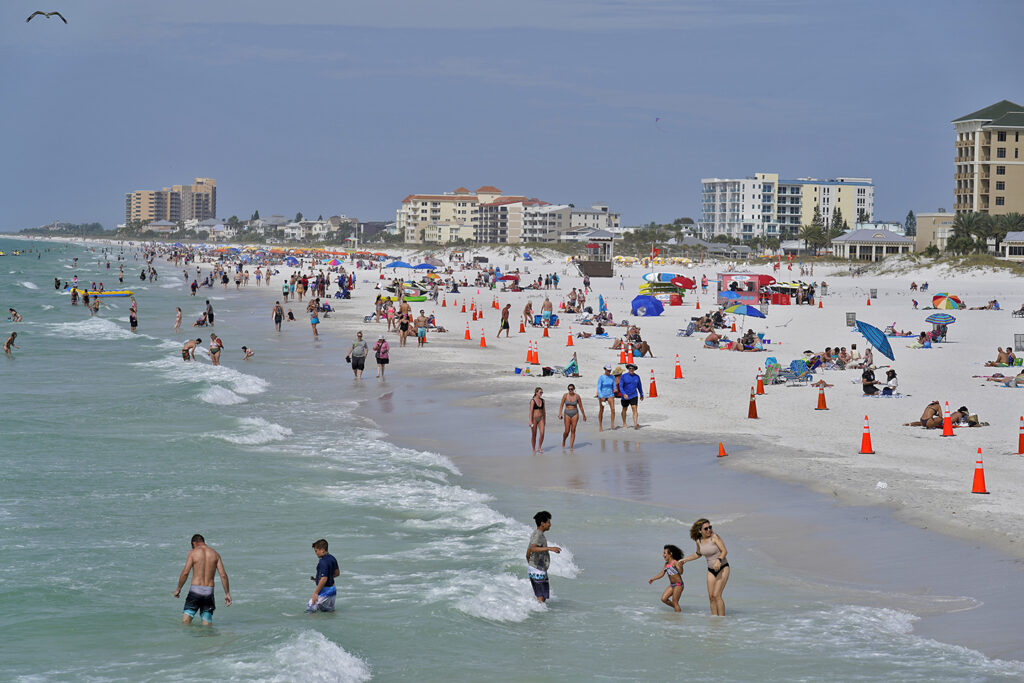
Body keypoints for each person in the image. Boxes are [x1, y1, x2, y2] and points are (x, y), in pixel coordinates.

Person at [173, 534, 231, 626]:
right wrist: (227, 593)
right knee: (207, 624)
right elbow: (223, 575)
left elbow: (185, 572)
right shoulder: (215, 554)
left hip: (195, 591)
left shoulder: (193, 552)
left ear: (194, 543)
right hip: (209, 592)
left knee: (186, 623)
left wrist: (178, 589)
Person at [681, 518, 729, 616]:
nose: (709, 530)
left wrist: (719, 560)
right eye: (706, 528)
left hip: (723, 568)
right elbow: (698, 554)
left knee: (717, 595)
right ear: (700, 531)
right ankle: (714, 621)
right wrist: (684, 560)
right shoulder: (698, 541)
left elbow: (724, 551)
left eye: (710, 527)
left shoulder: (714, 537)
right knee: (711, 597)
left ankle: (722, 620)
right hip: (711, 570)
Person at [526, 511, 560, 604]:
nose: (550, 524)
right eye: (548, 522)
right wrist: (550, 548)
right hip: (537, 569)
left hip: (535, 568)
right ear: (542, 523)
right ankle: (539, 615)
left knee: (542, 596)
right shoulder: (538, 535)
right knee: (541, 597)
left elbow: (528, 552)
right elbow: (533, 548)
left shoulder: (536, 533)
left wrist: (531, 565)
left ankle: (538, 612)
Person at [307, 539, 340, 613]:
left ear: (322, 550)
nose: (316, 553)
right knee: (328, 612)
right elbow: (337, 573)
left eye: (316, 551)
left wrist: (315, 593)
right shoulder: (332, 558)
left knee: (310, 609)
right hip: (333, 589)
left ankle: (310, 625)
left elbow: (324, 579)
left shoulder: (323, 561)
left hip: (325, 591)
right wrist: (318, 578)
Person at [648, 544, 685, 612]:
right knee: (664, 599)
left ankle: (677, 618)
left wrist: (680, 565)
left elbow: (681, 572)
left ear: (670, 554)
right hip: (672, 585)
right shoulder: (666, 564)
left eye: (664, 553)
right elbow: (662, 574)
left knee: (675, 601)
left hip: (678, 585)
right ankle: (677, 609)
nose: (663, 555)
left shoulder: (675, 562)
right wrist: (653, 579)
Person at [558, 383, 587, 449]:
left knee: (573, 430)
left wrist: (584, 415)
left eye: (571, 389)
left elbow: (581, 406)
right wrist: (560, 414)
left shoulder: (577, 396)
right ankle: (564, 440)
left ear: (574, 389)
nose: (570, 390)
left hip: (575, 413)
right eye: (569, 389)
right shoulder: (565, 396)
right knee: (567, 431)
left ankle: (571, 446)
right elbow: (561, 405)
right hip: (567, 413)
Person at [619, 363, 644, 429]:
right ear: (628, 369)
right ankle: (624, 423)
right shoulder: (623, 376)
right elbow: (620, 386)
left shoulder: (637, 377)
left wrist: (641, 394)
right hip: (625, 396)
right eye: (630, 368)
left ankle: (635, 424)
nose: (631, 370)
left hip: (634, 395)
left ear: (634, 369)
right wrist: (624, 394)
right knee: (624, 409)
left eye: (632, 369)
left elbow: (639, 386)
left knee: (634, 408)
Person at [594, 364, 617, 431]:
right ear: (605, 369)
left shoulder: (612, 377)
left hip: (610, 394)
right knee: (601, 410)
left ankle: (612, 424)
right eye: (608, 370)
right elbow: (598, 387)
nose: (609, 372)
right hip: (602, 395)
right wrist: (601, 396)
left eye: (610, 370)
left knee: (613, 409)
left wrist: (615, 389)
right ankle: (600, 426)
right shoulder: (601, 377)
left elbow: (614, 385)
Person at [529, 387, 546, 454]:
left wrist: (545, 420)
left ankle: (539, 447)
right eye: (540, 392)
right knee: (534, 435)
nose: (541, 393)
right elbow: (530, 412)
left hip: (541, 418)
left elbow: (544, 411)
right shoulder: (532, 401)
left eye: (542, 392)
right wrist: (530, 421)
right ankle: (533, 449)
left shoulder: (543, 400)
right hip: (534, 419)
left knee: (542, 433)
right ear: (536, 393)